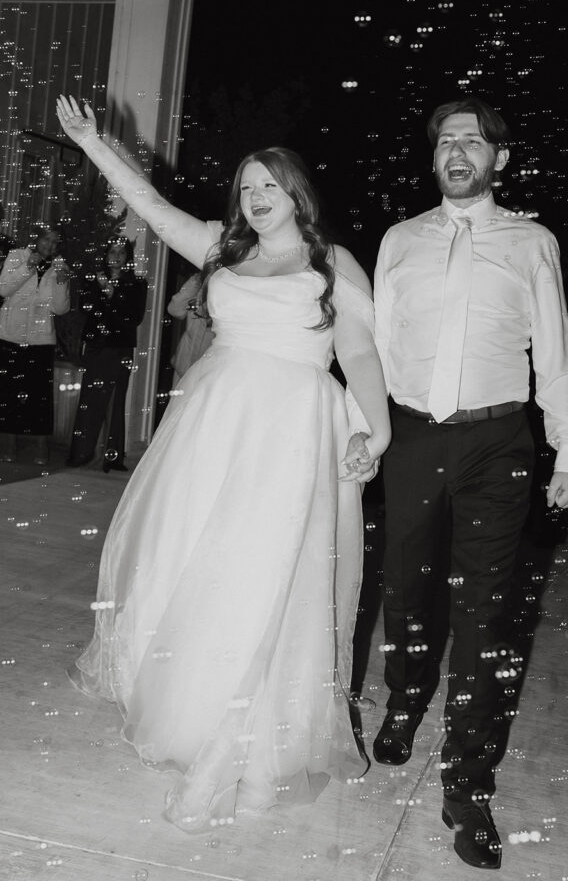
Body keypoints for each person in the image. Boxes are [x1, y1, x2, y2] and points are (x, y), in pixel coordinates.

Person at [56, 94, 390, 832]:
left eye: (269, 186)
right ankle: (197, 710)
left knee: (272, 574)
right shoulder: (219, 249)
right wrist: (94, 143)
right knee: (194, 562)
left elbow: (362, 353)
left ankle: (259, 737)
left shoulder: (332, 263)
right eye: (245, 188)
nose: (256, 198)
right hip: (212, 430)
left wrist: (373, 434)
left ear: (295, 193)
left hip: (297, 432)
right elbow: (146, 201)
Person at [348, 97, 568, 870]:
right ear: (432, 159)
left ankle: (466, 782)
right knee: (405, 591)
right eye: (446, 142)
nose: (459, 152)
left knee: (487, 619)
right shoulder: (397, 242)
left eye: (475, 142)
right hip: (414, 436)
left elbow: (554, 353)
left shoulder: (531, 242)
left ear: (500, 160)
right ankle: (406, 698)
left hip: (497, 440)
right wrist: (358, 429)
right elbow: (373, 351)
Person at [67, 237, 148, 472]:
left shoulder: (137, 285)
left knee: (115, 400)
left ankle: (111, 457)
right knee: (89, 400)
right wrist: (100, 290)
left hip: (119, 348)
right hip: (96, 348)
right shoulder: (94, 280)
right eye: (112, 251)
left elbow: (133, 319)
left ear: (128, 258)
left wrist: (112, 294)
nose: (116, 256)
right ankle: (81, 454)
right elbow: (85, 309)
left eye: (121, 253)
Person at [0, 226, 70, 464]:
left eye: (55, 242)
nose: (50, 246)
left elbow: (60, 309)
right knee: (8, 392)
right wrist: (28, 266)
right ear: (36, 238)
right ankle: (8, 444)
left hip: (41, 340)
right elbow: (3, 288)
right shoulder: (17, 256)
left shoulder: (57, 267)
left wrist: (61, 282)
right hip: (9, 335)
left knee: (39, 396)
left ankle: (41, 446)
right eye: (46, 240)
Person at [167, 270, 214, 388]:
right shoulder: (199, 288)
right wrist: (196, 280)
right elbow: (175, 309)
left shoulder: (233, 291)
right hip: (184, 364)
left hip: (210, 370)